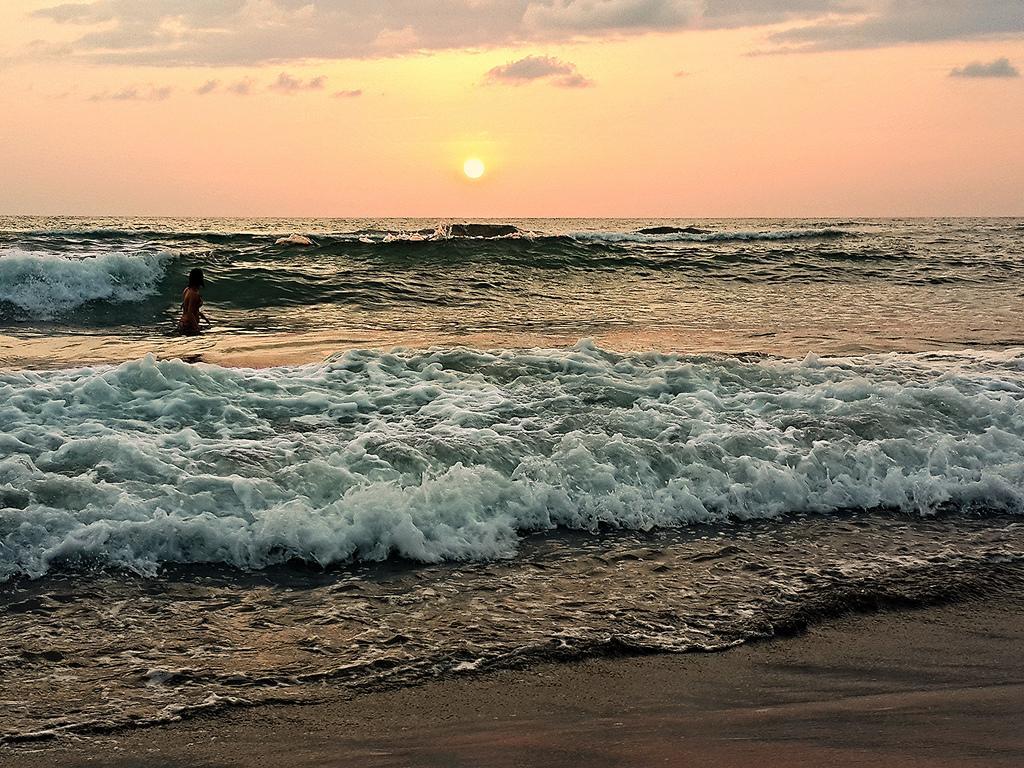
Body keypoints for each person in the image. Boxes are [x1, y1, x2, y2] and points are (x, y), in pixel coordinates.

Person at [178, 268, 209, 335]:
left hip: (183, 324)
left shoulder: (187, 290)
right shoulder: (194, 294)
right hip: (188, 325)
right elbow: (190, 313)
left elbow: (186, 307)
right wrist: (197, 328)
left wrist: (201, 315)